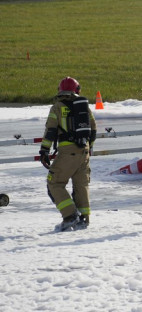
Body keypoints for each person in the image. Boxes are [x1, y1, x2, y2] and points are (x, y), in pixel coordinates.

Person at [39, 76, 96, 231]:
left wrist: (44, 150)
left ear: (60, 90)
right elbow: (93, 129)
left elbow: (50, 131)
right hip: (84, 153)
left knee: (54, 183)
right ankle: (84, 219)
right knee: (81, 185)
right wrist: (88, 147)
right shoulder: (84, 107)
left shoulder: (57, 107)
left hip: (67, 153)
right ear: (77, 90)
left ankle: (70, 216)